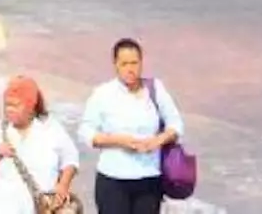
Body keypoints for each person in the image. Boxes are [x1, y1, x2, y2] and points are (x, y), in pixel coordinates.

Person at [78, 37, 184, 214]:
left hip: (149, 178)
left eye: (134, 63)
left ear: (141, 63)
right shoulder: (103, 93)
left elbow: (176, 124)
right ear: (115, 65)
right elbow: (86, 132)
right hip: (113, 179)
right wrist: (118, 141)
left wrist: (158, 140)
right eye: (124, 63)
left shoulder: (155, 89)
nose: (130, 69)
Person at [0, 75, 80, 214]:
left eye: (16, 105)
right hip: (3, 207)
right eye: (7, 105)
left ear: (30, 106)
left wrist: (63, 185)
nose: (10, 109)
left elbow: (70, 159)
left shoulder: (50, 129)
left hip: (41, 208)